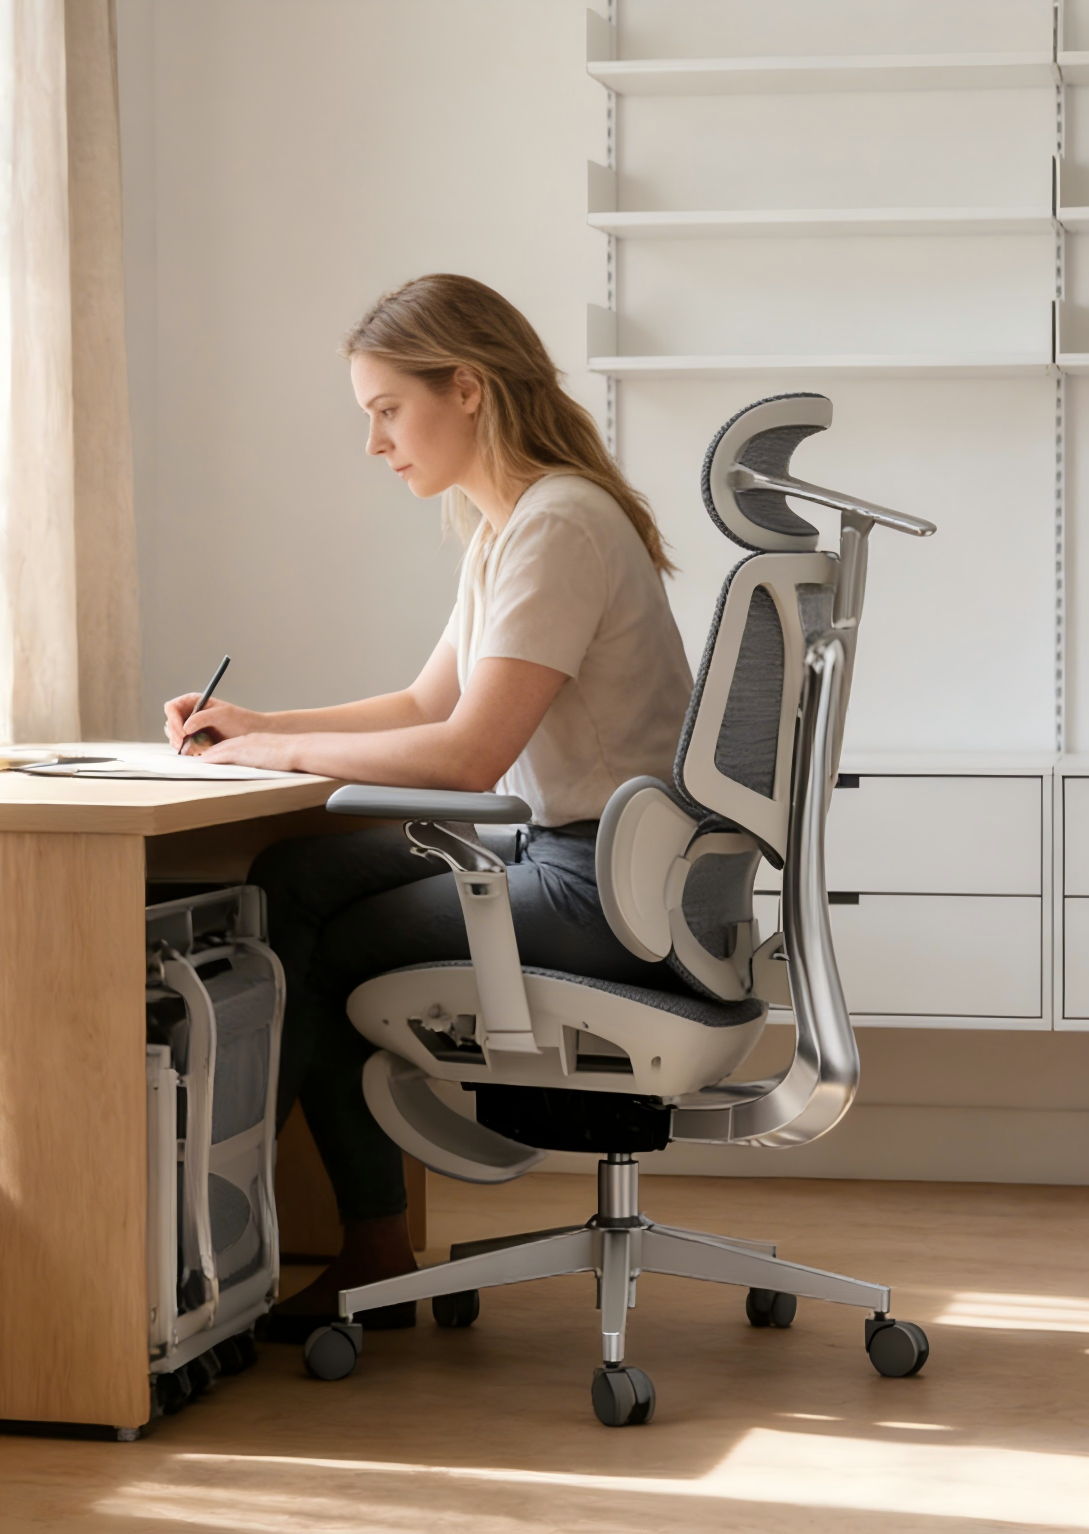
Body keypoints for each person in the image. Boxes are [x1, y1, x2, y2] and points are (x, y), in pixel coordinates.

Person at [164, 274, 694, 1339]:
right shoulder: (511, 525)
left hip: (596, 885)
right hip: (583, 860)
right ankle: (338, 1241)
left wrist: (273, 749)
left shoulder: (559, 528)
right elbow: (424, 701)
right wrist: (253, 719)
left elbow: (466, 753)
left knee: (316, 930)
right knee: (295, 881)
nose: (375, 443)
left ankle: (235, 1238)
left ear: (465, 389)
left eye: (385, 411)